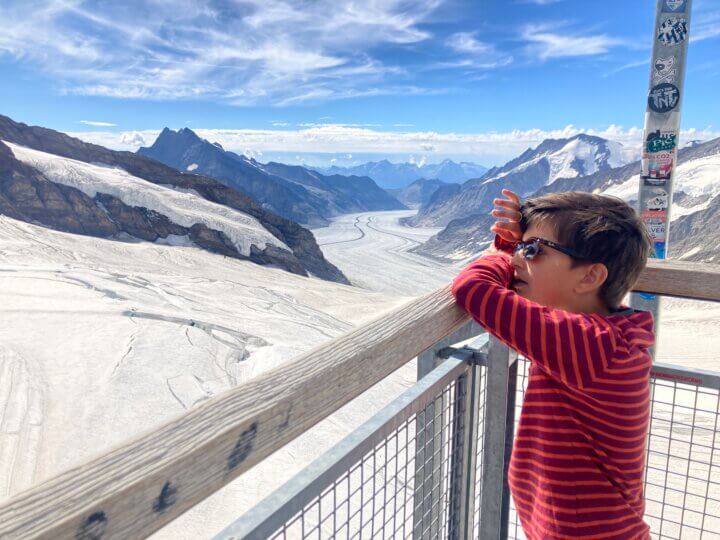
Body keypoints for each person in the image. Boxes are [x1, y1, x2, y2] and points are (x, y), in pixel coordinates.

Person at [452, 189, 654, 539]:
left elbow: (473, 288)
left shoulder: (592, 347)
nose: (518, 260)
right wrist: (519, 247)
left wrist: (498, 253)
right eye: (520, 248)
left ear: (590, 277)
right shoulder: (598, 336)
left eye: (533, 251)